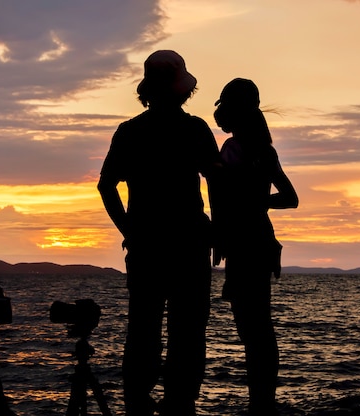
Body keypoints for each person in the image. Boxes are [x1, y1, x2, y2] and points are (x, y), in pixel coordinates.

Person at [97, 50, 220, 416]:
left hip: (148, 245)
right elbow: (217, 182)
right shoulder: (195, 129)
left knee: (143, 327)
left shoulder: (131, 132)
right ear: (183, 91)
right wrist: (220, 231)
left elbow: (106, 186)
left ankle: (139, 401)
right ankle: (180, 403)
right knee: (188, 330)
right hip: (189, 244)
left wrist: (129, 230)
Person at [212, 78, 298, 416]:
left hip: (247, 245)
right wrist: (258, 200)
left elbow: (222, 199)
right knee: (259, 327)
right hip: (260, 243)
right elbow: (290, 199)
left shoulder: (233, 149)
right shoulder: (265, 151)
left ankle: (260, 405)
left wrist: (245, 205)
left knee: (252, 328)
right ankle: (263, 402)